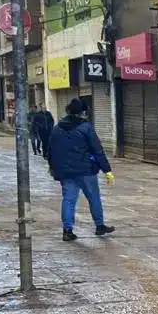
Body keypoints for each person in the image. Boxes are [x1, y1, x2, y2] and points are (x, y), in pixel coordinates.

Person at [46, 97, 116, 242]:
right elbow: (97, 150)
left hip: (66, 172)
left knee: (68, 200)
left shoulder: (58, 128)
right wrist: (107, 170)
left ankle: (67, 230)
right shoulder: (86, 128)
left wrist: (53, 168)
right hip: (86, 171)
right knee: (94, 198)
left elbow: (50, 151)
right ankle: (99, 226)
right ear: (82, 113)